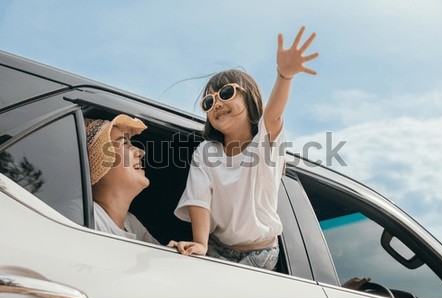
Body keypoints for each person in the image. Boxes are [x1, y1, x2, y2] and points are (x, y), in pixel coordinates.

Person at [168, 26, 318, 270]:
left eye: (226, 93)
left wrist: (284, 76)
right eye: (209, 101)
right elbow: (199, 199)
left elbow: (274, 114)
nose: (217, 104)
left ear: (250, 98)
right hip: (217, 246)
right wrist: (200, 244)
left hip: (260, 253)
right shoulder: (206, 152)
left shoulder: (263, 143)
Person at [84, 114, 159, 244]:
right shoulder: (83, 216)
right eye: (124, 143)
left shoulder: (131, 223)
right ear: (102, 163)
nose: (141, 152)